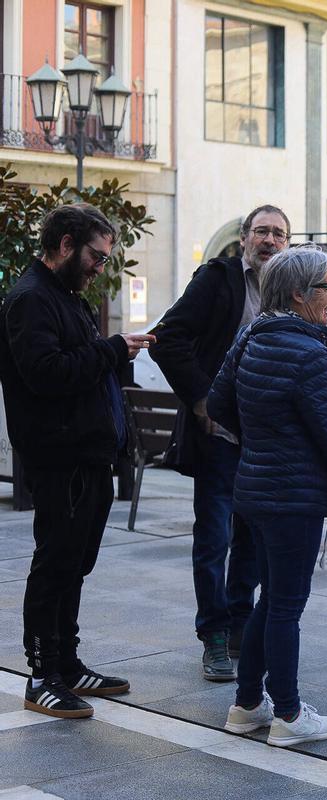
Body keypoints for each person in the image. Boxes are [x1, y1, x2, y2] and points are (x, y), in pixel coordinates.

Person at [208, 244, 327, 747]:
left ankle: (246, 706)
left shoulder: (250, 337)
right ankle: (286, 713)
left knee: (271, 599)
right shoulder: (308, 353)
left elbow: (219, 403)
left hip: (256, 491)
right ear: (299, 294)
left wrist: (265, 438)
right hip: (294, 499)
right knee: (287, 606)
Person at [0, 204, 155, 717]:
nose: (100, 266)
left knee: (75, 564)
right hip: (59, 458)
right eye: (95, 255)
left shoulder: (66, 298)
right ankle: (41, 675)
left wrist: (113, 354)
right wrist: (112, 350)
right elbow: (45, 373)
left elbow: (81, 369)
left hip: (88, 457)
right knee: (55, 563)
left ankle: (67, 665)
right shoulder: (30, 300)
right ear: (65, 243)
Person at [150, 205, 289, 681]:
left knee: (253, 537)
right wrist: (202, 399)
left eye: (279, 233)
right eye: (262, 231)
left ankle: (238, 625)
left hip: (267, 440)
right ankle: (212, 634)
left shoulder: (291, 290)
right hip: (220, 437)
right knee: (214, 538)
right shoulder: (217, 279)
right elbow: (166, 338)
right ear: (245, 238)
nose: (270, 240)